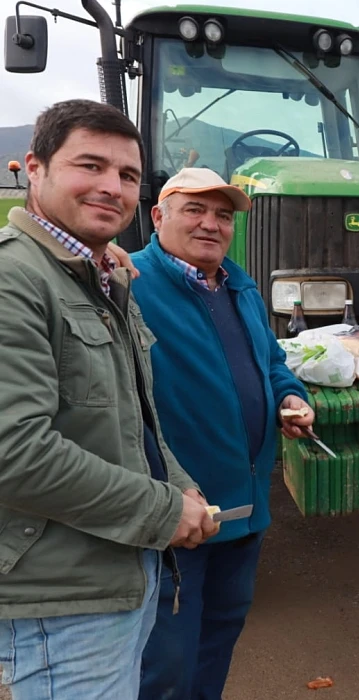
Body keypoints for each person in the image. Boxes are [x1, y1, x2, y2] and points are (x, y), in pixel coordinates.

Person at [0, 99, 219, 699]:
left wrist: (178, 483)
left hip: (122, 564)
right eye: (90, 166)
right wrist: (162, 510)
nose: (111, 187)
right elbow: (14, 453)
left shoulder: (102, 276)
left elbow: (133, 416)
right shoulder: (14, 279)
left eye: (126, 175)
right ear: (34, 169)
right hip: (61, 595)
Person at [131, 167, 315, 699]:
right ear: (158, 215)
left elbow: (271, 361)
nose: (211, 224)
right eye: (195, 209)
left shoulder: (240, 285)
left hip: (243, 513)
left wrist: (289, 397)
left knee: (219, 638)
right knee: (167, 662)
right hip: (177, 518)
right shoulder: (129, 284)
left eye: (223, 215)